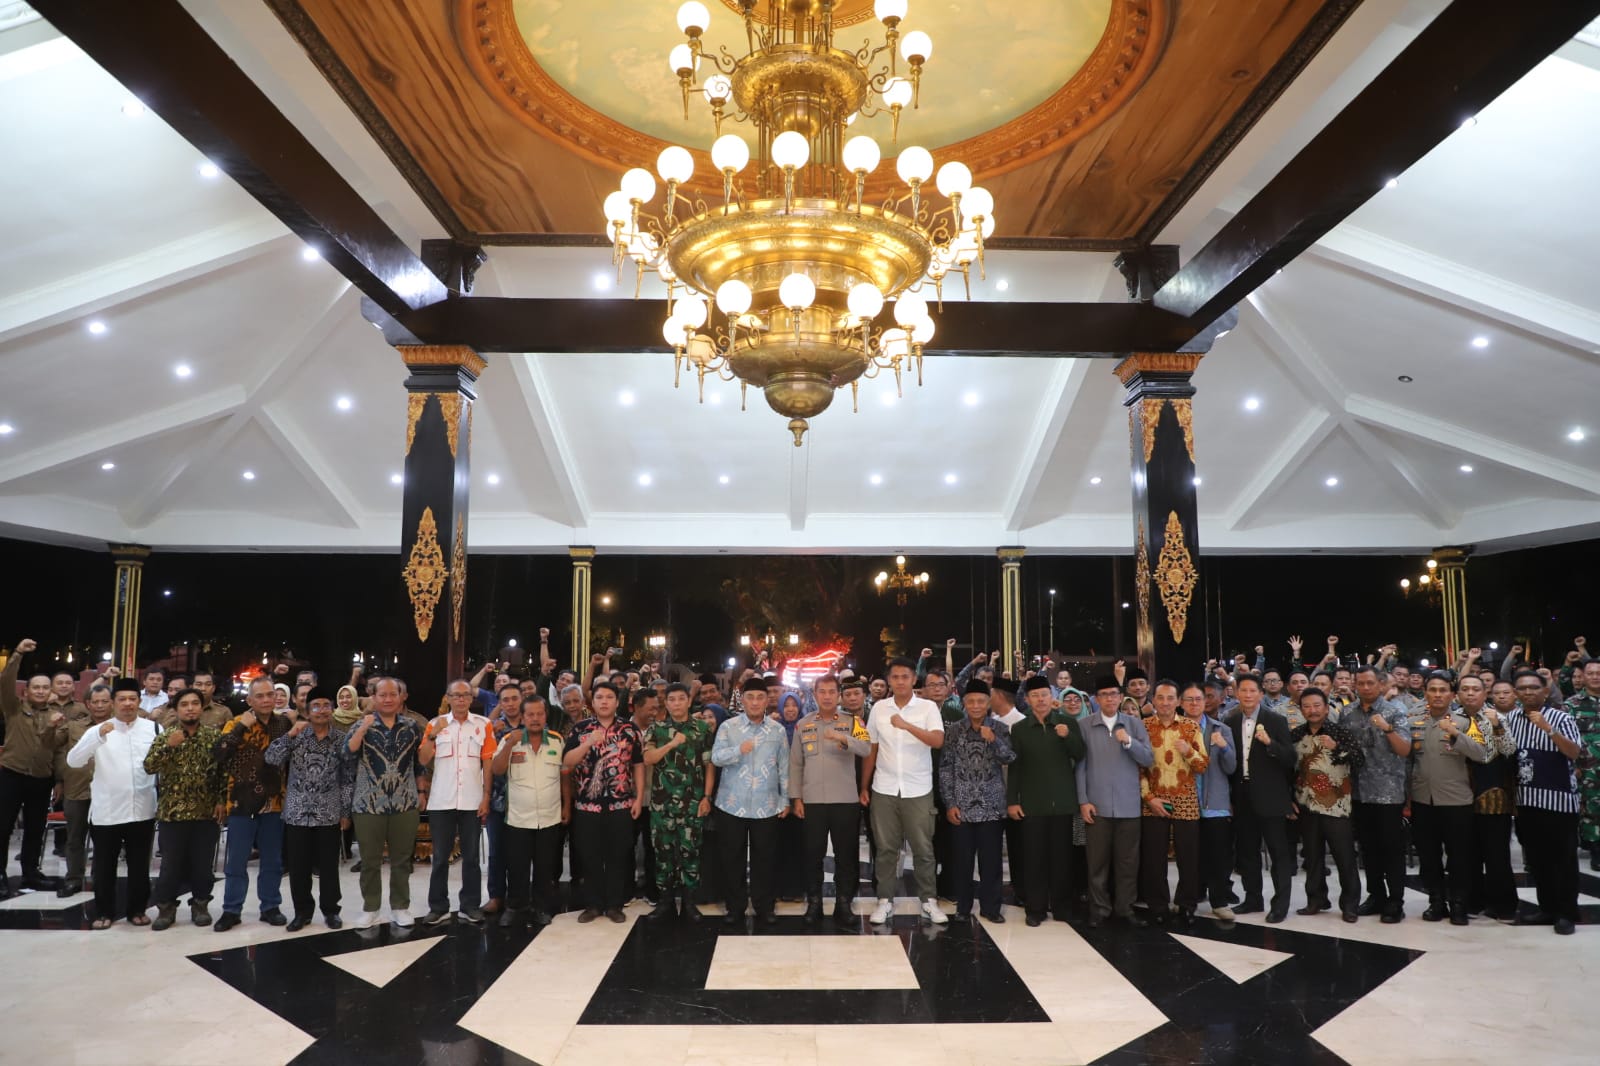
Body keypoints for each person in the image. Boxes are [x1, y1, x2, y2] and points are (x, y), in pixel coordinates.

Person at [65, 678, 158, 928]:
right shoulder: (98, 730)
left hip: (142, 809)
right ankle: (104, 912)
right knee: (105, 866)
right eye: (122, 699)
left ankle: (137, 910)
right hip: (107, 812)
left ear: (139, 701)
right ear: (113, 703)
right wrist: (97, 736)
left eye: (132, 699)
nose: (127, 704)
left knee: (139, 866)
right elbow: (73, 761)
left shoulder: (153, 729)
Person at [862, 658, 946, 926]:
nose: (900, 681)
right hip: (884, 787)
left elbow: (937, 740)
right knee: (886, 849)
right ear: (889, 680)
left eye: (905, 677)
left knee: (923, 848)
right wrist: (864, 786)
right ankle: (884, 900)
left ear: (913, 680)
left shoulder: (927, 707)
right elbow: (872, 748)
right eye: (895, 677)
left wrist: (907, 725)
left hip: (918, 788)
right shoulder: (879, 708)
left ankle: (928, 901)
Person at [264, 687, 353, 931]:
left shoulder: (341, 739)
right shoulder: (298, 736)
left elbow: (348, 778)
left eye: (326, 705)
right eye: (316, 706)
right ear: (307, 709)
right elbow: (271, 758)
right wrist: (290, 734)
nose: (321, 710)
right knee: (299, 867)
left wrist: (345, 812)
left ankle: (331, 911)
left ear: (332, 709)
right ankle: (302, 912)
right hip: (297, 813)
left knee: (329, 868)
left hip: (328, 813)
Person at [1407, 672, 1490, 925]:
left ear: (1453, 695)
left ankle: (1458, 904)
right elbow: (1407, 759)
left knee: (1459, 857)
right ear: (1425, 694)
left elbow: (1481, 753)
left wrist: (1455, 734)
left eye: (1443, 690)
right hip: (1423, 799)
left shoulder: (1465, 722)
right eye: (1432, 690)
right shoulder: (1413, 722)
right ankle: (1436, 902)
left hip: (1456, 800)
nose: (1437, 695)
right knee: (1428, 856)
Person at [1505, 670, 1583, 935]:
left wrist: (1549, 730)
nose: (1528, 692)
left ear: (1545, 691)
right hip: (1527, 801)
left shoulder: (1561, 717)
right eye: (1522, 688)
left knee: (1563, 860)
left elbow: (1574, 752)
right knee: (1538, 860)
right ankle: (1547, 908)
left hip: (1559, 803)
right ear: (1516, 693)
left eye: (1534, 688)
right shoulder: (1512, 718)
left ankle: (1566, 913)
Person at [789, 674, 871, 924]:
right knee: (812, 854)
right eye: (821, 692)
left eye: (831, 692)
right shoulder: (803, 724)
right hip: (812, 801)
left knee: (846, 855)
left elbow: (866, 748)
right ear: (814, 695)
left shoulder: (853, 721)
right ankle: (814, 903)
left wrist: (844, 738)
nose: (826, 696)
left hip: (845, 800)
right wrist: (796, 798)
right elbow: (796, 764)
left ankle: (843, 903)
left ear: (839, 695)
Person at [1005, 675, 1086, 926]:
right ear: (1028, 700)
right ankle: (1036, 909)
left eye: (1044, 694)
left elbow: (1080, 754)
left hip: (1063, 802)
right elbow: (1015, 767)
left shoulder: (1067, 723)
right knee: (1034, 859)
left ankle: (1062, 907)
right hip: (1032, 804)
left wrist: (1067, 736)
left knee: (1062, 859)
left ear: (1052, 697)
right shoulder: (1020, 729)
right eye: (1035, 696)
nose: (1040, 699)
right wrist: (1012, 801)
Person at [143, 687, 226, 930]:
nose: (190, 708)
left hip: (205, 812)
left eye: (194, 703)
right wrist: (168, 747)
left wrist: (221, 800)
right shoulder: (166, 736)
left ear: (201, 707)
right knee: (171, 865)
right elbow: (148, 767)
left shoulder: (213, 737)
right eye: (184, 704)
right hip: (173, 813)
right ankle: (166, 908)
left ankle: (200, 905)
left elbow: (222, 772)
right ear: (177, 709)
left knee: (203, 865)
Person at [212, 676, 291, 929]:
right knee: (236, 861)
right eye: (260, 696)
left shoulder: (284, 723)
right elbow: (219, 753)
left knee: (272, 861)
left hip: (275, 803)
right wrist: (240, 728)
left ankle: (270, 906)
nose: (266, 700)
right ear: (249, 700)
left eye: (270, 695)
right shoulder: (236, 722)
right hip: (241, 803)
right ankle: (231, 910)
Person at [711, 676, 791, 924]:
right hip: (731, 803)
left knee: (764, 858)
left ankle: (764, 906)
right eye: (750, 697)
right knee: (731, 858)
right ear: (742, 700)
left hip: (767, 805)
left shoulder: (777, 730)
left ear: (767, 701)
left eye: (760, 697)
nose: (755, 702)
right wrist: (739, 750)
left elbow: (784, 767)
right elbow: (715, 758)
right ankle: (735, 907)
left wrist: (786, 799)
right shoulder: (728, 727)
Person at [345, 677, 424, 928]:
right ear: (374, 698)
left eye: (393, 694)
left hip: (404, 802)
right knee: (370, 860)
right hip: (368, 803)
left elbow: (419, 763)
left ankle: (400, 907)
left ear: (401, 697)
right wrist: (362, 729)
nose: (388, 699)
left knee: (402, 860)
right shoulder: (362, 724)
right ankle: (371, 908)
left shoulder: (412, 726)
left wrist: (422, 790)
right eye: (382, 695)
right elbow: (347, 753)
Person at [563, 681, 644, 923]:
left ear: (617, 702)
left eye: (609, 697)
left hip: (621, 805)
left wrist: (639, 797)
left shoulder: (630, 730)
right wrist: (588, 742)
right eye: (600, 697)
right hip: (587, 807)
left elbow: (638, 765)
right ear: (593, 702)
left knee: (619, 855)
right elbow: (567, 762)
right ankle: (593, 904)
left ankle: (615, 905)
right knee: (590, 856)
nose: (604, 701)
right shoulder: (580, 729)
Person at [1075, 676, 1153, 927]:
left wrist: (1129, 742)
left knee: (1128, 862)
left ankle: (1125, 908)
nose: (1109, 698)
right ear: (1096, 699)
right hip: (1096, 806)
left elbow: (1148, 759)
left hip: (1128, 805)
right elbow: (1079, 766)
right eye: (1104, 694)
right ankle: (1099, 909)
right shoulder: (1084, 725)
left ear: (1121, 697)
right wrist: (1083, 801)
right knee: (1097, 862)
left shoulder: (1134, 724)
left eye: (1113, 694)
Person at [419, 679, 496, 925]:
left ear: (472, 699)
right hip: (442, 800)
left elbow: (488, 763)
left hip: (472, 801)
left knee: (471, 857)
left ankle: (470, 905)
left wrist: (486, 796)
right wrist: (433, 735)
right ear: (448, 698)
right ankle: (438, 906)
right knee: (440, 857)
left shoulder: (483, 725)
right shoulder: (435, 724)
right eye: (456, 695)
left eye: (465, 695)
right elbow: (423, 759)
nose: (461, 699)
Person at [1341, 666, 1412, 922]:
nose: (1365, 687)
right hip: (1360, 792)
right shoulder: (1347, 713)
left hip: (1388, 793)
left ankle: (1395, 901)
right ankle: (1376, 895)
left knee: (1391, 849)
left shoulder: (1395, 712)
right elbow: (1343, 748)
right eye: (1360, 683)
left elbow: (1405, 750)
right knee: (1368, 849)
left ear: (1381, 685)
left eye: (1370, 683)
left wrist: (1387, 729)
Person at [941, 679, 1015, 923]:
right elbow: (945, 769)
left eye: (980, 701)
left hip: (991, 806)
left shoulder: (1000, 729)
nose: (975, 705)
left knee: (991, 862)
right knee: (962, 861)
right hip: (961, 806)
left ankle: (991, 908)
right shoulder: (954, 731)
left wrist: (993, 740)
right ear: (964, 703)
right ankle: (963, 907)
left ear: (988, 703)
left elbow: (1009, 758)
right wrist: (950, 803)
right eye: (971, 701)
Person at [491, 693, 567, 927]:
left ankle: (541, 907)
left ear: (546, 716)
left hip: (549, 817)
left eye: (539, 714)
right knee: (517, 866)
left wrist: (567, 805)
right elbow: (497, 769)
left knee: (545, 867)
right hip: (518, 818)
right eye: (530, 714)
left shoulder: (557, 741)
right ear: (522, 717)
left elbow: (565, 776)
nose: (535, 718)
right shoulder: (509, 739)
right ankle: (515, 907)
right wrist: (510, 745)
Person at [1225, 674, 1297, 922]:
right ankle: (1253, 898)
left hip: (1270, 795)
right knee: (1247, 851)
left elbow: (1290, 758)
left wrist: (1270, 743)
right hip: (1242, 794)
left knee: (1278, 852)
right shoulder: (1230, 721)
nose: (1247, 695)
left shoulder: (1275, 720)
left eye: (1252, 691)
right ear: (1236, 693)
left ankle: (1280, 904)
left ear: (1260, 694)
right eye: (1243, 690)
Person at [1289, 688, 1364, 922]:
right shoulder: (1295, 734)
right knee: (1312, 857)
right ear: (1301, 709)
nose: (1312, 710)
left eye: (1316, 705)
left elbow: (1359, 760)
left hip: (1337, 806)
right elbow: (1288, 768)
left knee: (1344, 857)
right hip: (1306, 804)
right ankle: (1316, 900)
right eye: (1307, 706)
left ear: (1326, 707)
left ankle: (1350, 904)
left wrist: (1336, 747)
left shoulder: (1340, 732)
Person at [1139, 679, 1209, 927]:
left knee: (1188, 857)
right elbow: (1138, 767)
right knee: (1154, 858)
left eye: (1171, 698)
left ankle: (1187, 905)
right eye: (1160, 697)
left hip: (1185, 800)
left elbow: (1203, 765)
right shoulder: (1143, 727)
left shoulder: (1191, 727)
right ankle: (1158, 906)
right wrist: (1149, 798)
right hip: (1154, 801)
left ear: (1178, 701)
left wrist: (1188, 751)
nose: (1165, 703)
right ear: (1153, 700)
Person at [0, 639, 66, 897]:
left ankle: (31, 873)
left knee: (35, 829)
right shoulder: (13, 708)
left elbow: (54, 747)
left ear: (51, 691)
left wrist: (58, 779)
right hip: (12, 775)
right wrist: (17, 654)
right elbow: (6, 681)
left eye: (45, 687)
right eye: (35, 687)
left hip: (41, 778)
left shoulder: (56, 716)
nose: (40, 691)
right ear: (26, 691)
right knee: (3, 827)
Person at [643, 683, 714, 920]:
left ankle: (689, 903)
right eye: (671, 699)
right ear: (666, 703)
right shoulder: (657, 729)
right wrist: (671, 744)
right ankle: (665, 903)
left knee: (691, 852)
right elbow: (648, 758)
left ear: (689, 701)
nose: (676, 703)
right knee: (663, 854)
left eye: (681, 698)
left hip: (692, 802)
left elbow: (709, 765)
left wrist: (707, 797)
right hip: (662, 804)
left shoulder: (702, 729)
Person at [1463, 677, 1519, 920]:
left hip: (1493, 791)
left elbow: (1509, 751)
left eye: (1475, 689)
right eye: (1465, 689)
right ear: (1457, 694)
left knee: (1497, 855)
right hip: (1460, 794)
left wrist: (1496, 726)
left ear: (1485, 693)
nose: (1470, 694)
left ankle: (1503, 905)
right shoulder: (1453, 718)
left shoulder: (1498, 717)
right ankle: (1472, 901)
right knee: (1468, 854)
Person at [1181, 681, 1237, 920]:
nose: (1194, 703)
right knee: (1189, 856)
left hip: (1215, 803)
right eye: (1189, 699)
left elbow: (1231, 767)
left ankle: (1219, 901)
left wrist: (1224, 748)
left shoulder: (1221, 729)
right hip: (1185, 803)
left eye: (1199, 699)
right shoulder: (1175, 729)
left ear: (1206, 702)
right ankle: (1188, 900)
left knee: (1218, 856)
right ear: (1181, 703)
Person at [55, 683, 112, 897]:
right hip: (77, 788)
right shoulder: (73, 726)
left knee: (104, 840)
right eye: (95, 702)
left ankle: (100, 879)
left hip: (108, 791)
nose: (100, 706)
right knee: (74, 837)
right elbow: (53, 746)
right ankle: (73, 879)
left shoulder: (120, 726)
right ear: (87, 704)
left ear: (111, 703)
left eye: (104, 701)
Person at [483, 681, 526, 916]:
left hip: (525, 800)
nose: (510, 704)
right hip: (498, 799)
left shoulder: (533, 726)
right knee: (496, 851)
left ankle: (518, 897)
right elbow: (486, 765)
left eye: (514, 699)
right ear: (500, 704)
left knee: (520, 853)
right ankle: (496, 896)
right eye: (505, 700)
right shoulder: (493, 729)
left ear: (522, 700)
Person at [1565, 658, 1600, 872]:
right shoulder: (1572, 705)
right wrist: (1573, 766)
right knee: (1590, 810)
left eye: (1599, 673)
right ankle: (1595, 849)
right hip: (1587, 769)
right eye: (1591, 673)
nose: (1595, 677)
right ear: (1583, 677)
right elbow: (1566, 738)